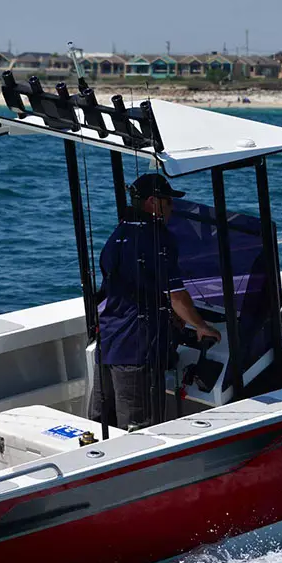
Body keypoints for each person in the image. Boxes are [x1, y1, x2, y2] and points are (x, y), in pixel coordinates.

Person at [91, 173, 221, 431]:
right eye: (169, 201)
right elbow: (176, 295)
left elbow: (126, 285)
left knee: (103, 422)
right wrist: (200, 325)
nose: (172, 208)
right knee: (140, 427)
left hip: (107, 343)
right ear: (153, 201)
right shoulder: (158, 238)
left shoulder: (118, 234)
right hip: (137, 348)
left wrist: (169, 314)